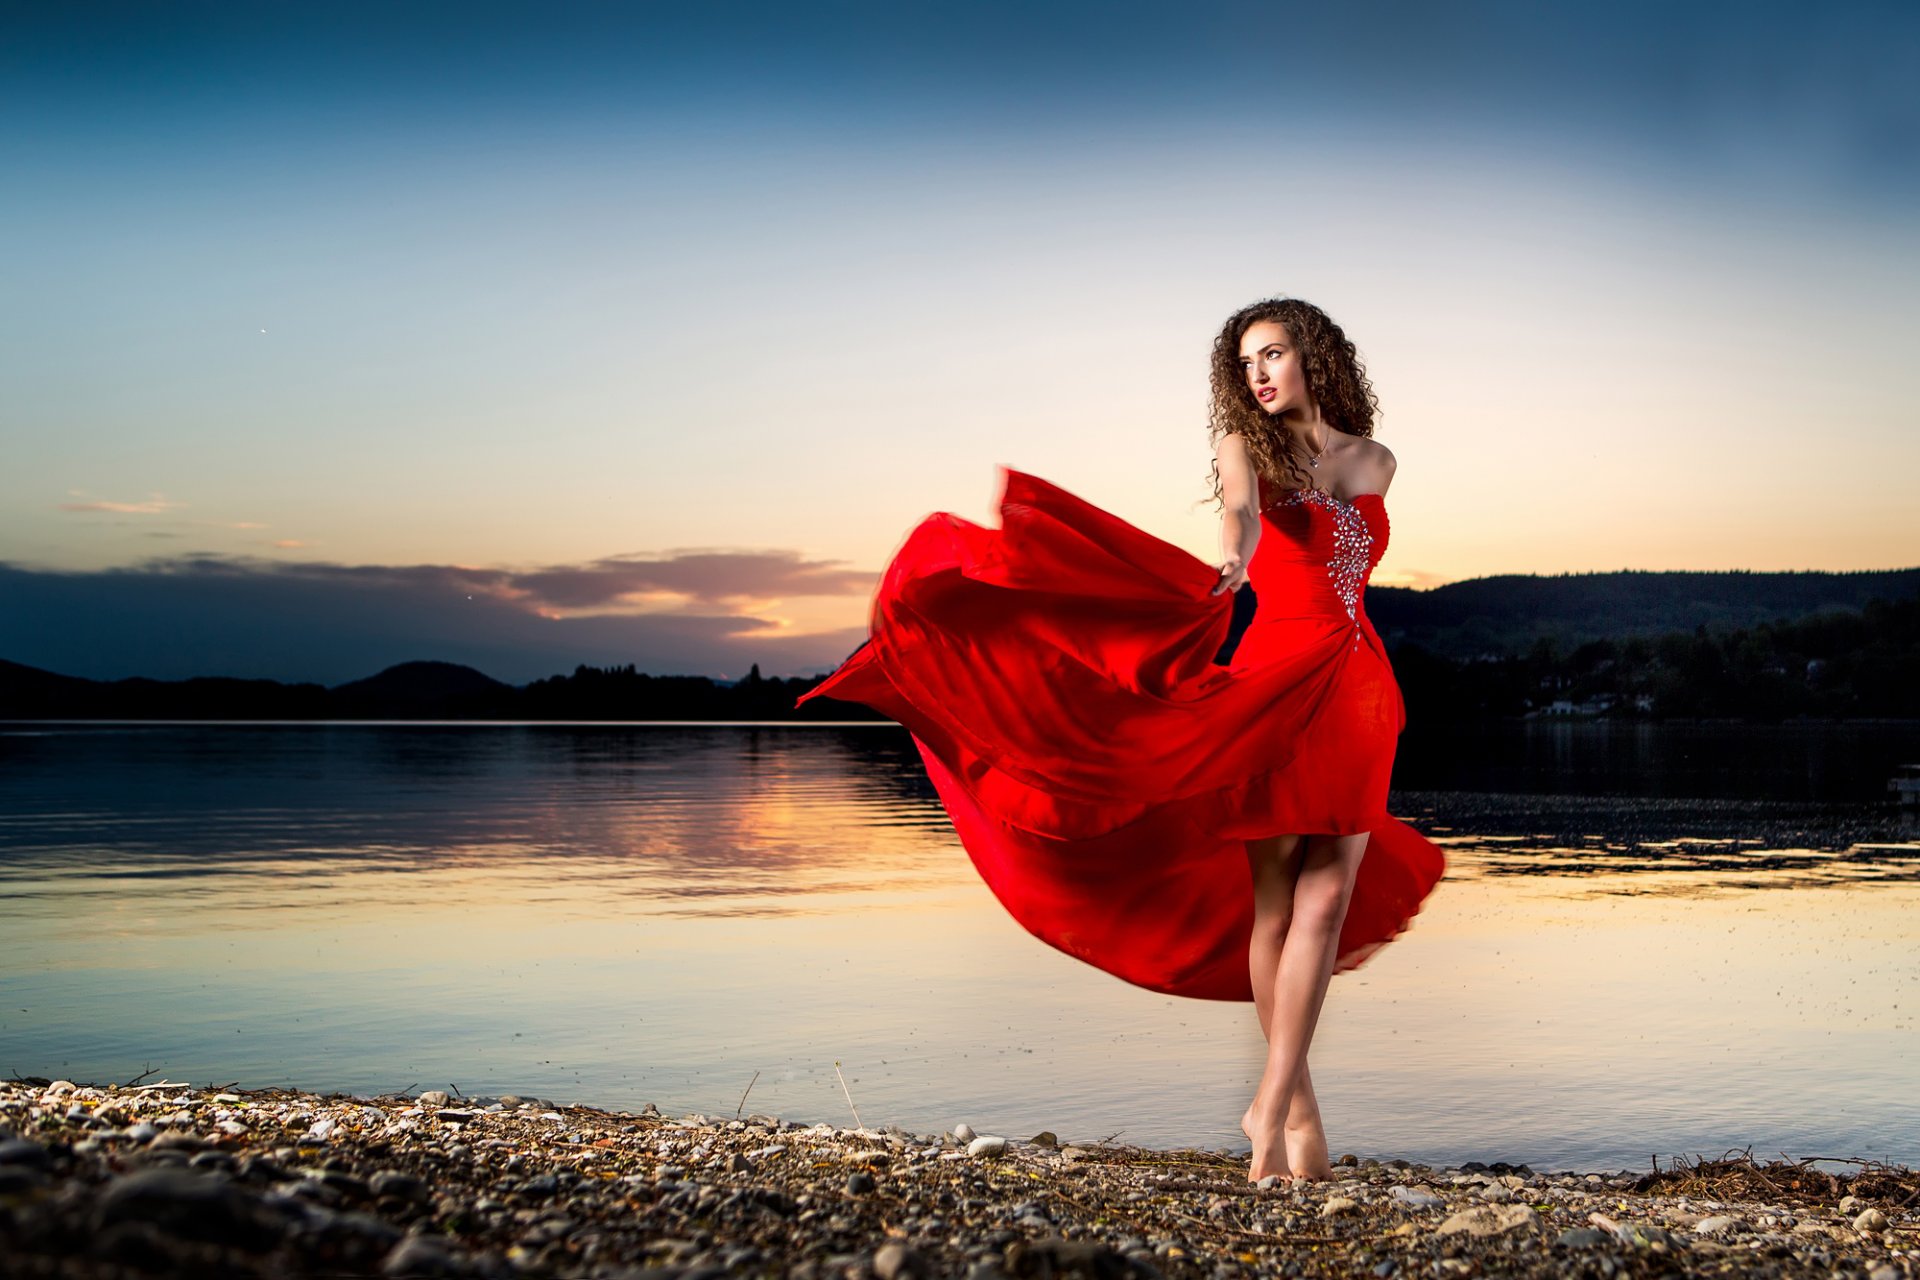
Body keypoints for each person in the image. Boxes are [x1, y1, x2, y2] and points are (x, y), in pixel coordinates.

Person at [795, 296, 1445, 1184]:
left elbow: (1351, 560)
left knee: (1328, 902)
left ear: (1314, 356)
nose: (1258, 374)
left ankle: (1274, 1105)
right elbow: (1243, 516)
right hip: (1272, 682)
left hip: (1360, 687)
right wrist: (1233, 558)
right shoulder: (1244, 447)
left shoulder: (1375, 459)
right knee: (1275, 907)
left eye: (1273, 354)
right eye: (1246, 362)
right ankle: (1290, 1114)